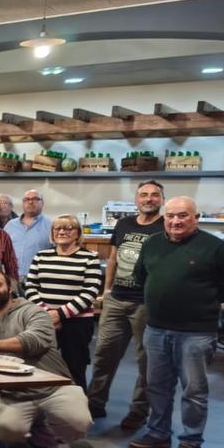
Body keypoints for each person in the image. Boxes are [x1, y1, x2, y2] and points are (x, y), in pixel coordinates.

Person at [129, 197, 224, 448]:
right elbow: (141, 276)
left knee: (193, 390)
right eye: (170, 216)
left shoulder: (215, 248)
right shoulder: (152, 243)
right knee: (157, 386)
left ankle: (191, 441)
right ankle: (158, 433)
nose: (175, 221)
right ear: (164, 218)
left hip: (196, 333)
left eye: (182, 215)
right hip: (156, 328)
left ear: (196, 217)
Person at [0, 269, 92, 448]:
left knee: (77, 423)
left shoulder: (34, 312)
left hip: (53, 386)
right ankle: (16, 438)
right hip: (9, 393)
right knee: (7, 428)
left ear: (10, 287)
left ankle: (39, 440)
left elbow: (37, 340)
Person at [87, 180, 164, 427]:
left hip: (147, 304)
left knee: (146, 361)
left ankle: (138, 411)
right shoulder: (124, 224)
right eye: (144, 194)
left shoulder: (165, 227)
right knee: (104, 355)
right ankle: (95, 404)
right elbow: (113, 259)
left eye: (154, 195)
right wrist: (106, 290)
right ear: (136, 199)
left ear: (161, 199)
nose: (149, 199)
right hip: (117, 300)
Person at [23, 215, 102, 390]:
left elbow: (90, 292)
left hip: (77, 323)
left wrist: (58, 315)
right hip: (43, 320)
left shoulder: (89, 258)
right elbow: (30, 287)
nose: (62, 232)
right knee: (39, 364)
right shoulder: (41, 256)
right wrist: (46, 314)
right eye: (57, 228)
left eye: (68, 228)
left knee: (75, 367)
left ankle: (76, 408)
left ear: (77, 233)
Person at [5, 190, 52, 283]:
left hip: (39, 280)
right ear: (23, 203)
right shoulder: (10, 225)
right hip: (12, 279)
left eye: (35, 199)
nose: (30, 202)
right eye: (27, 199)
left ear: (42, 202)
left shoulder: (51, 226)